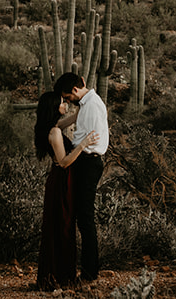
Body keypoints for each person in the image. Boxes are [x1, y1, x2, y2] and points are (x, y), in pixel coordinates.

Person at [35, 89, 96, 291]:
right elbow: (64, 162)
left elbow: (66, 122)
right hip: (62, 180)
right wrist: (84, 144)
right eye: (62, 102)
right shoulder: (53, 133)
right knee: (62, 226)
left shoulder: (51, 128)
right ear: (54, 107)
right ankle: (60, 277)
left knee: (59, 225)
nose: (65, 104)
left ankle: (56, 274)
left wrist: (82, 110)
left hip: (58, 181)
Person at [53, 72, 109, 284]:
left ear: (76, 90)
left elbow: (87, 139)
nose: (67, 101)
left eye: (67, 97)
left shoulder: (92, 105)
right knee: (82, 217)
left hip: (87, 162)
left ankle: (89, 272)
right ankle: (87, 270)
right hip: (84, 161)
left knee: (85, 218)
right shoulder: (86, 105)